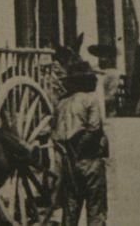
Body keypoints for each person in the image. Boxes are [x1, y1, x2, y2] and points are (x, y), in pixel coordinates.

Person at [52, 63, 109, 225]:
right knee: (96, 208)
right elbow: (94, 128)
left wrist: (69, 154)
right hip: (89, 159)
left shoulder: (61, 104)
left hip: (68, 162)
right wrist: (80, 150)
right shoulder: (90, 100)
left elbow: (54, 131)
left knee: (71, 208)